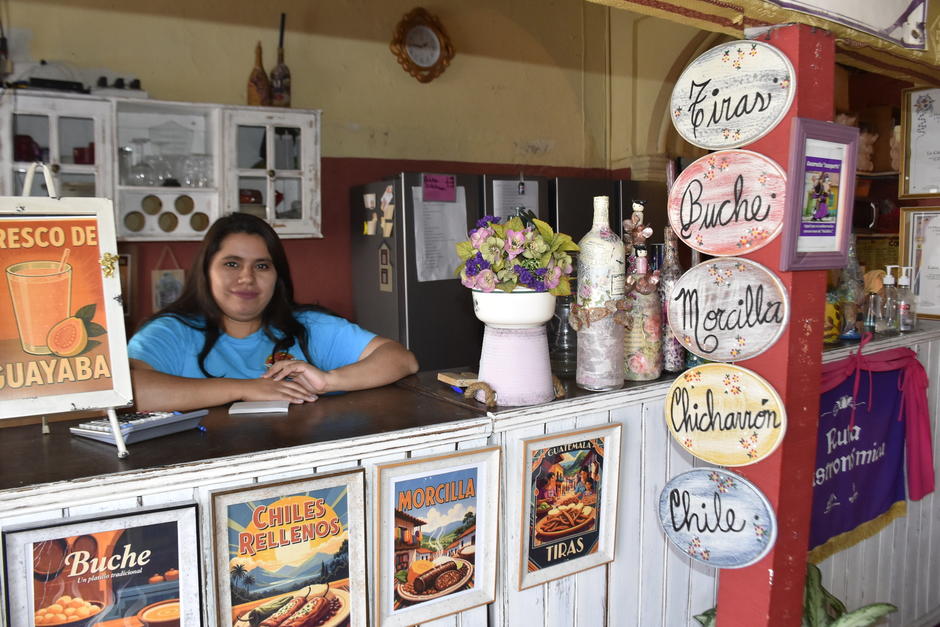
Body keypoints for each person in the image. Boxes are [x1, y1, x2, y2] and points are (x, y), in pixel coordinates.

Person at [127, 213, 418, 411]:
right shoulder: (170, 331)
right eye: (231, 264)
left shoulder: (309, 326)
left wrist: (329, 381)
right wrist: (242, 389)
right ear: (206, 271)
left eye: (262, 266)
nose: (247, 277)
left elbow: (401, 360)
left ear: (278, 276)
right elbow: (129, 392)